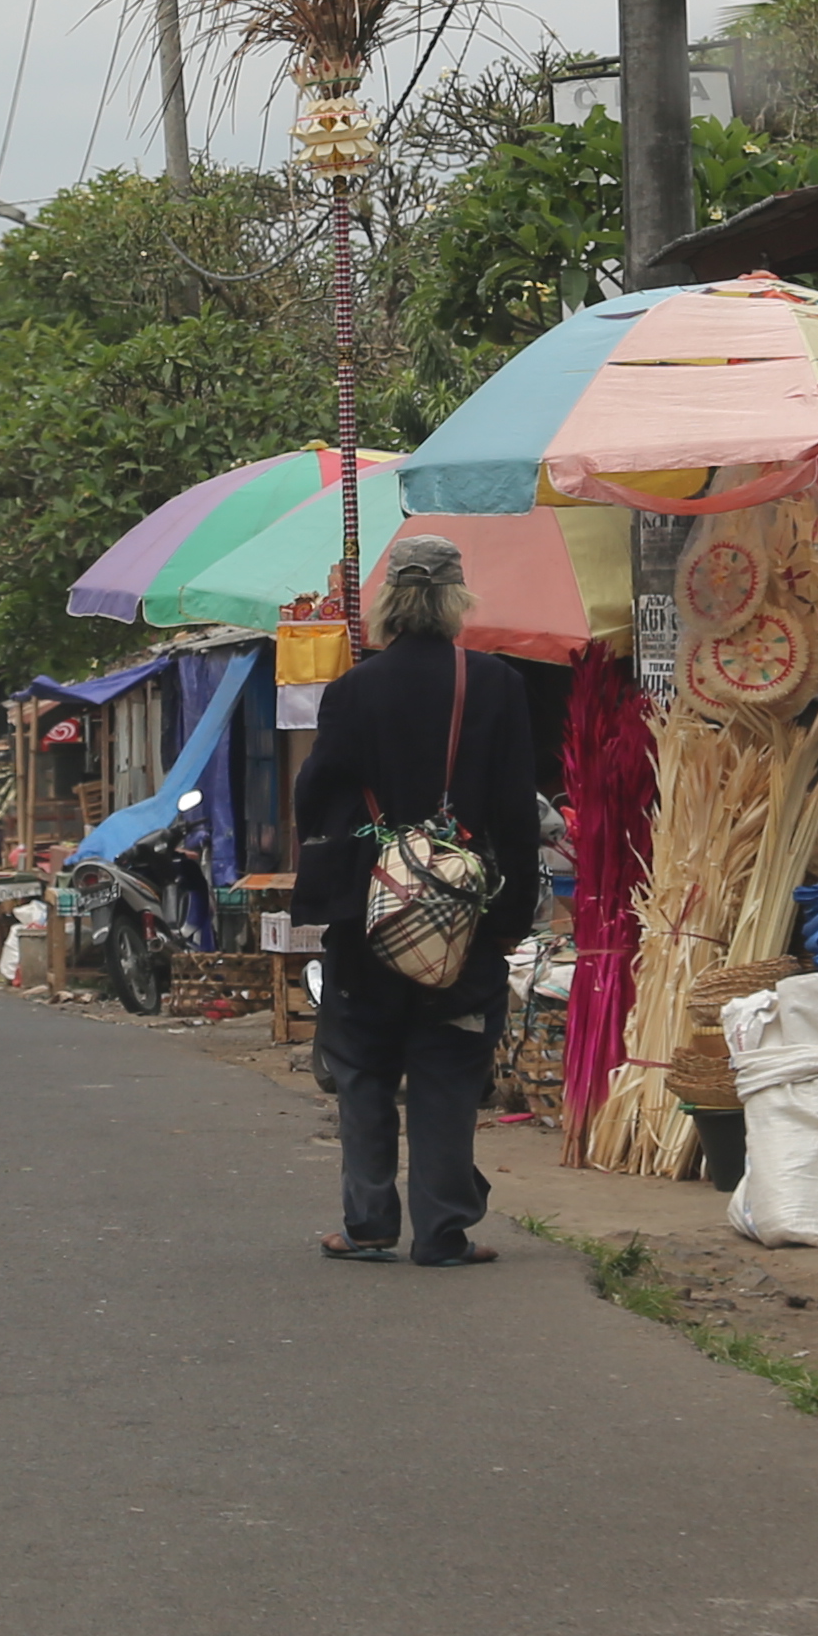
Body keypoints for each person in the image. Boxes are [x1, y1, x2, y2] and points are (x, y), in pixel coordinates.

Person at [287, 533, 539, 1269]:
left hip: (368, 916)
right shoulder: (495, 686)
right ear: (459, 599)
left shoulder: (351, 691)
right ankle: (444, 1232)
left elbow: (319, 804)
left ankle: (367, 1226)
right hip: (463, 919)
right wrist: (508, 917)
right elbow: (516, 818)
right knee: (450, 1064)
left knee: (363, 1067)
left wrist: (350, 877)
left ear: (389, 602)